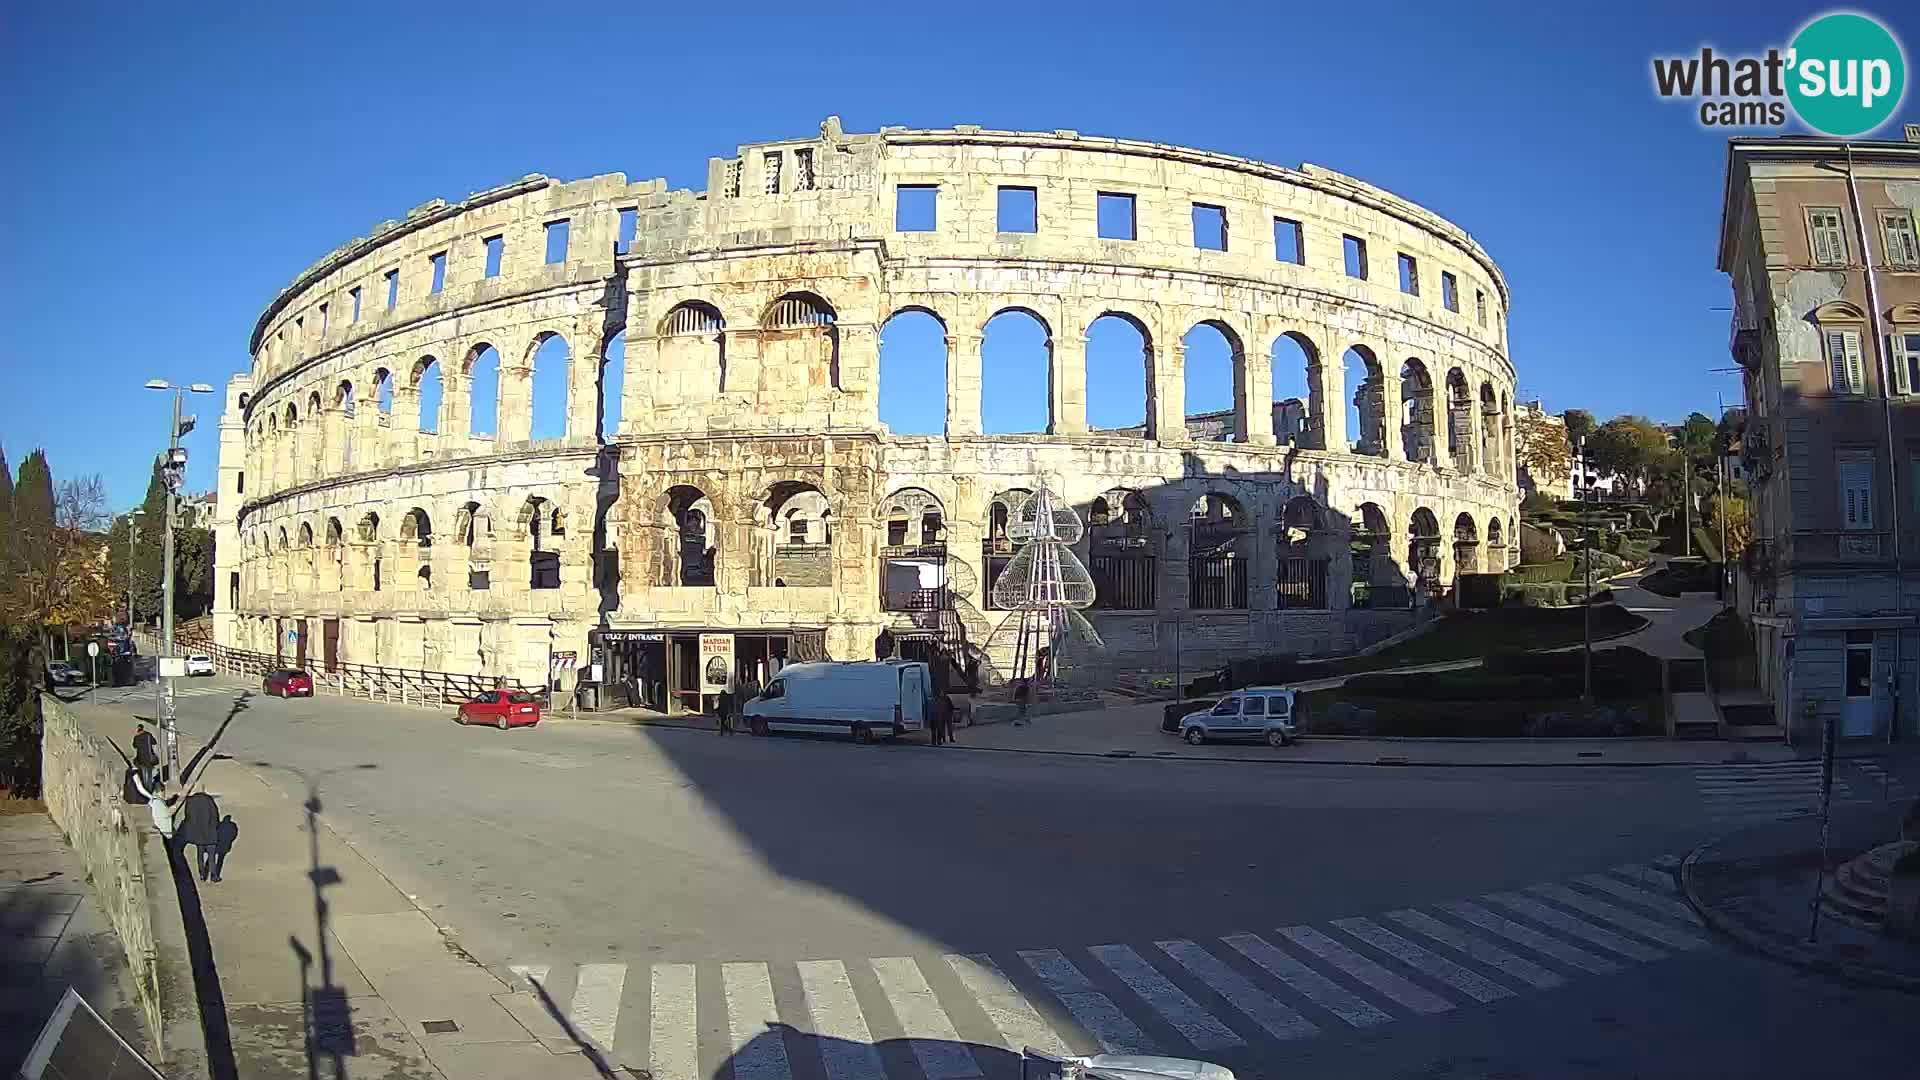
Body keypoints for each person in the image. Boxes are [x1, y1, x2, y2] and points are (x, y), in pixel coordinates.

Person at [179, 791, 220, 882]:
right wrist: (215, 826)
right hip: (210, 833)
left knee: (200, 855)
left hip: (198, 833)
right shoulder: (209, 801)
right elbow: (215, 816)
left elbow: (188, 817)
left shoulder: (190, 801)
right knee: (212, 856)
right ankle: (213, 875)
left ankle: (202, 874)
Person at [129, 770, 176, 842]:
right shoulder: (157, 802)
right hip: (168, 834)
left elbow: (140, 788)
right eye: (163, 792)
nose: (165, 794)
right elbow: (169, 812)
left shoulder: (154, 799)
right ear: (160, 791)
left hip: (163, 830)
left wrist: (136, 777)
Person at [209, 816, 238, 883]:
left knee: (210, 860)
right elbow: (234, 835)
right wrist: (229, 841)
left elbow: (215, 832)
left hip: (217, 845)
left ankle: (206, 874)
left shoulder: (220, 825)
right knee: (220, 861)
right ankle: (216, 875)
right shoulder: (232, 826)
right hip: (225, 846)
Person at [133, 723, 159, 791]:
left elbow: (134, 746)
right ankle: (149, 788)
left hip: (141, 758)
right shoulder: (148, 735)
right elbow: (154, 742)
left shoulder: (136, 737)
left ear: (138, 729)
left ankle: (145, 788)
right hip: (149, 757)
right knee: (149, 774)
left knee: (144, 774)